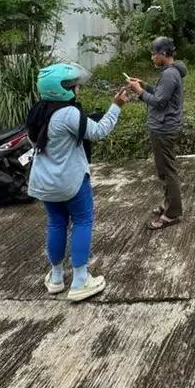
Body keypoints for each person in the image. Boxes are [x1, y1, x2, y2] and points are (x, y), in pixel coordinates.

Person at [26, 62, 127, 302]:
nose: (77, 90)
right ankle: (81, 280)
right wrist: (116, 106)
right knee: (82, 221)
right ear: (63, 89)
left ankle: (56, 277)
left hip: (44, 182)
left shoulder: (37, 112)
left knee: (56, 223)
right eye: (73, 85)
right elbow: (98, 131)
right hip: (70, 181)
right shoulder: (69, 113)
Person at [126, 37, 187, 231]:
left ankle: (172, 213)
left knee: (167, 172)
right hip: (163, 127)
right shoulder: (169, 72)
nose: (152, 57)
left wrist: (139, 92)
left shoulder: (169, 74)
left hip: (163, 129)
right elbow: (162, 94)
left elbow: (159, 101)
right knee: (164, 171)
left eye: (154, 54)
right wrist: (143, 86)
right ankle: (169, 204)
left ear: (164, 54)